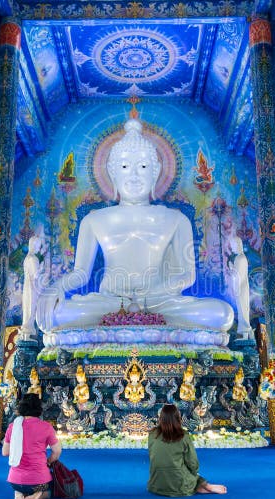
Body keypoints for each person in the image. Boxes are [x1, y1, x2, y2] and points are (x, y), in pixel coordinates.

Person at [36, 117, 233, 333]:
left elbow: (187, 276)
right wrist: (55, 288)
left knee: (222, 314)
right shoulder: (94, 220)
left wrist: (149, 296)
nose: (134, 175)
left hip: (160, 303)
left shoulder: (176, 219)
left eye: (143, 166)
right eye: (124, 166)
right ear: (112, 172)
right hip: (110, 303)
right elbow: (81, 273)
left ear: (155, 171)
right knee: (58, 314)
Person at [147, 404, 227, 497]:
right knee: (190, 473)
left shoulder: (152, 434)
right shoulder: (182, 435)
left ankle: (199, 486)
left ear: (160, 418)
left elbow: (154, 456)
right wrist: (195, 474)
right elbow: (193, 463)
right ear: (178, 418)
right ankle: (204, 486)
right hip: (180, 486)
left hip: (156, 485)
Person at [2, 393, 62, 499]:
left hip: (14, 481)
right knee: (54, 488)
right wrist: (48, 461)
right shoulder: (46, 427)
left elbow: (5, 452)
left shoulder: (13, 427)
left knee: (21, 485)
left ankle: (19, 492)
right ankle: (38, 495)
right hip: (39, 482)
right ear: (39, 408)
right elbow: (57, 451)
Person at [20, 235, 46, 340]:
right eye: (39, 246)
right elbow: (36, 275)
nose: (39, 248)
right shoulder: (33, 258)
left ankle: (27, 328)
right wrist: (42, 267)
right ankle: (28, 329)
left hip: (27, 285)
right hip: (32, 286)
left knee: (27, 307)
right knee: (31, 306)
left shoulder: (27, 258)